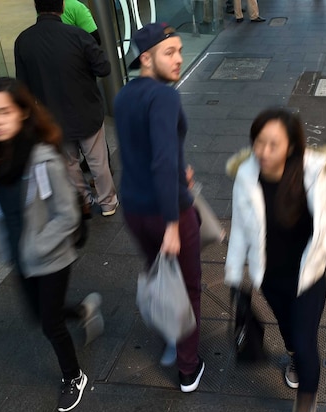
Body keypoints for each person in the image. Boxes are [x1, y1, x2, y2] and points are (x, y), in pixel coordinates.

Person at [0, 77, 104, 412]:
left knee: (49, 323)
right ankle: (84, 310)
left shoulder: (43, 159)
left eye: (4, 112)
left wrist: (36, 247)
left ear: (23, 114)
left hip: (52, 255)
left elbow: (68, 215)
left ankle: (74, 377)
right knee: (39, 315)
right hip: (17, 254)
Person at [224, 108, 326, 412]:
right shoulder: (246, 177)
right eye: (259, 142)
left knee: (307, 343)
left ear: (291, 146)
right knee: (289, 333)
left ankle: (306, 408)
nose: (263, 151)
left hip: (308, 277)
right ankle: (293, 355)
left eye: (273, 144)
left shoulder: (315, 171)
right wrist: (235, 274)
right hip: (271, 278)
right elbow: (239, 228)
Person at [113, 23, 205, 393]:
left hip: (134, 209)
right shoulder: (165, 98)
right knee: (189, 287)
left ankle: (172, 336)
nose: (179, 58)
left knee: (161, 275)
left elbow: (141, 150)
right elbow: (162, 161)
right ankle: (188, 367)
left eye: (180, 50)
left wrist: (177, 169)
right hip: (168, 212)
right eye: (170, 52)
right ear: (146, 58)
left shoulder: (123, 96)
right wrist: (171, 223)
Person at [15, 0, 119, 219]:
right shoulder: (77, 36)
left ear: (36, 7)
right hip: (86, 110)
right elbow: (104, 68)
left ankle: (84, 203)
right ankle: (108, 203)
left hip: (52, 117)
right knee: (98, 161)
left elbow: (22, 86)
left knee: (70, 164)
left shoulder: (23, 41)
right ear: (62, 6)